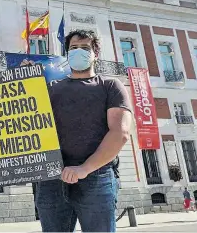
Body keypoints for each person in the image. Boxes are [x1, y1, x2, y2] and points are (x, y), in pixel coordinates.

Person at [31, 29, 133, 232]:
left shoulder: (111, 86)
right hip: (52, 178)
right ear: (67, 54)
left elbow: (120, 133)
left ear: (95, 53)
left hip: (97, 176)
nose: (78, 52)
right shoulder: (50, 88)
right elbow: (21, 116)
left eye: (85, 48)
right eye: (73, 48)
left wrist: (84, 169)